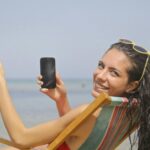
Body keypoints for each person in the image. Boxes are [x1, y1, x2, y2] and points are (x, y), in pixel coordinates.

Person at [0, 39, 149, 150]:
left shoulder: (91, 113)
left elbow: (21, 137)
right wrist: (61, 100)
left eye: (113, 73)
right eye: (101, 66)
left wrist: (1, 81)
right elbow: (78, 135)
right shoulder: (132, 111)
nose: (100, 76)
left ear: (132, 85)